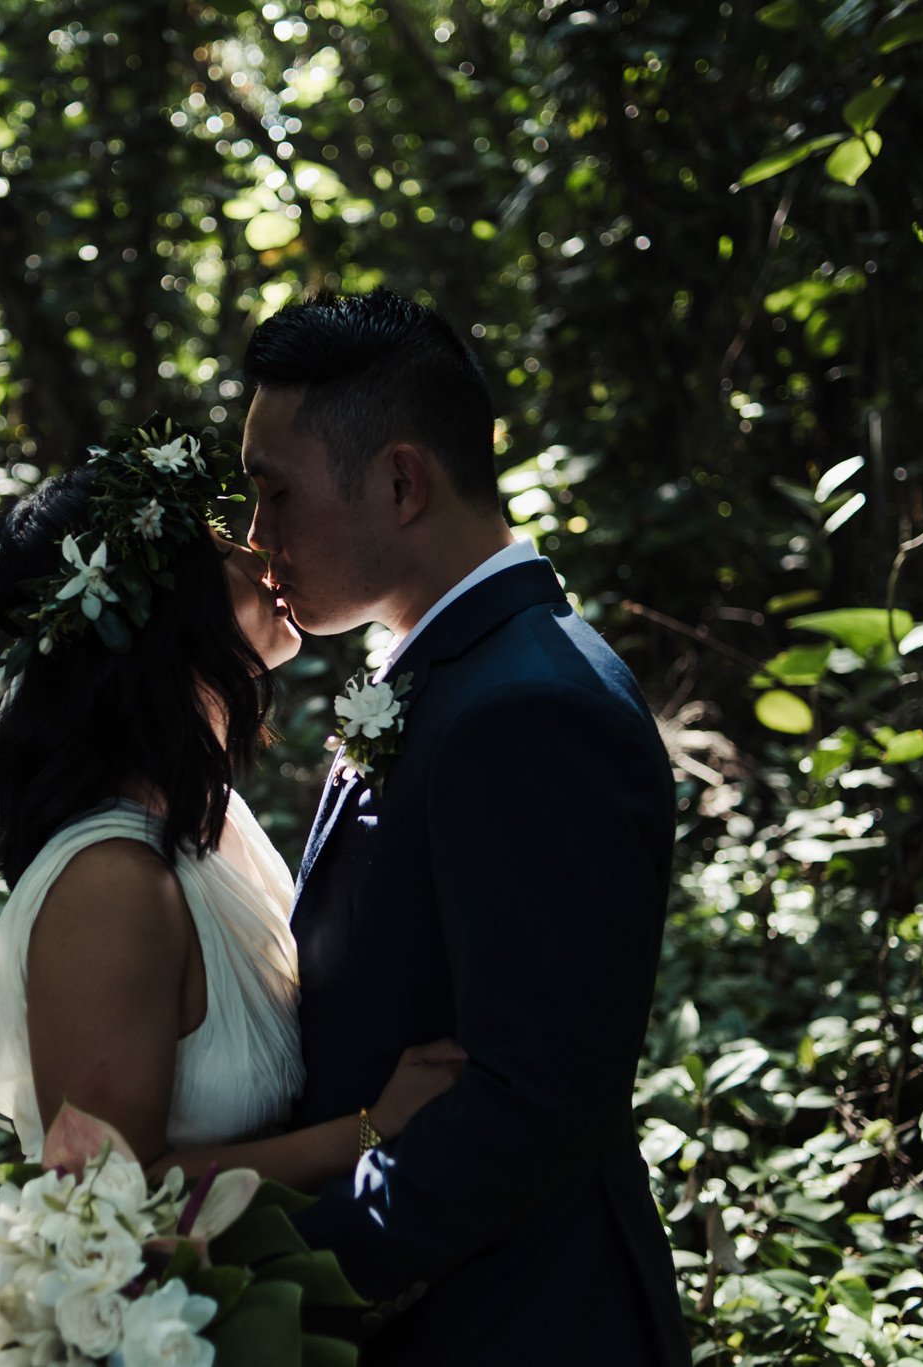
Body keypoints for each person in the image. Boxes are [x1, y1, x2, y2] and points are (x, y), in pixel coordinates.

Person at [240, 289, 691, 1366]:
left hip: (514, 1319)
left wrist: (265, 1281)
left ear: (399, 480)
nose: (257, 537)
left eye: (273, 494)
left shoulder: (529, 707)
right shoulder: (456, 669)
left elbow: (529, 1098)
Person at [0, 417, 466, 1197]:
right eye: (221, 546)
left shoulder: (211, 821)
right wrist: (371, 1128)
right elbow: (102, 1199)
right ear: (162, 616)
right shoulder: (110, 886)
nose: (256, 551)